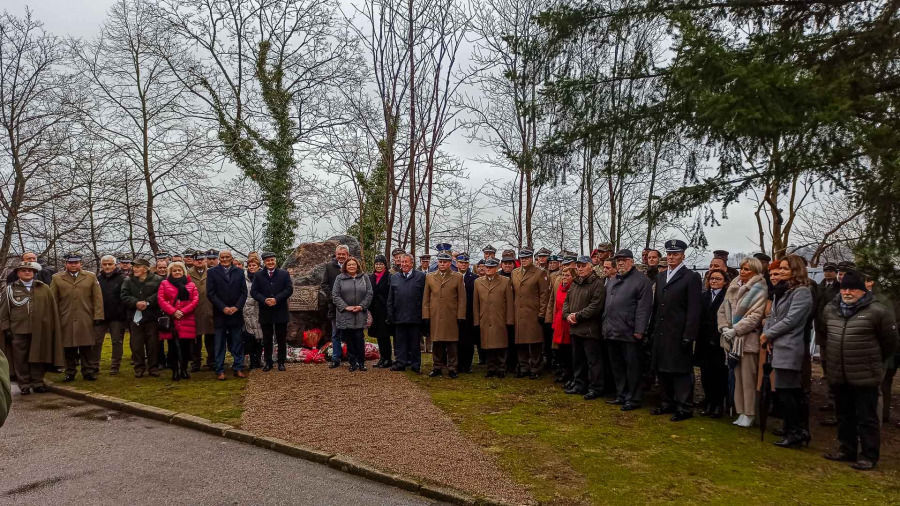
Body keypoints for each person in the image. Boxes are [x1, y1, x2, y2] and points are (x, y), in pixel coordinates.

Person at [820, 269, 898, 470]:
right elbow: (825, 333)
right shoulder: (831, 309)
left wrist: (874, 362)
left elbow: (889, 343)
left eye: (853, 289)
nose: (847, 292)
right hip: (839, 371)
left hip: (865, 373)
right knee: (844, 414)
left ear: (862, 290)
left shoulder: (878, 312)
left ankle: (868, 455)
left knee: (866, 417)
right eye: (845, 288)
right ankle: (847, 449)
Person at [762, 255, 814, 448]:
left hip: (791, 347)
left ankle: (796, 431)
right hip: (778, 345)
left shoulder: (802, 292)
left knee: (790, 391)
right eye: (780, 268)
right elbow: (773, 316)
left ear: (795, 270)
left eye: (785, 268)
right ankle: (792, 428)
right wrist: (768, 333)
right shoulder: (782, 291)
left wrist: (767, 335)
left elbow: (791, 320)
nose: (781, 271)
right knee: (785, 391)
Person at [649, 240, 702, 421]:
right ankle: (667, 403)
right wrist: (652, 330)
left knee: (680, 372)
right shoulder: (661, 277)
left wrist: (689, 334)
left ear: (682, 256)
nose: (671, 257)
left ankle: (684, 407)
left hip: (679, 332)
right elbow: (657, 307)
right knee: (663, 370)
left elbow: (694, 309)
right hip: (661, 332)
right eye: (669, 254)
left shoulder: (691, 277)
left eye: (675, 254)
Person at [718, 257, 768, 427]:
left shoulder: (759, 287)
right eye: (742, 268)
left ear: (755, 270)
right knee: (737, 378)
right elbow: (722, 309)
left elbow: (755, 316)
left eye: (747, 269)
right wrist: (724, 327)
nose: (743, 271)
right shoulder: (734, 284)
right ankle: (740, 411)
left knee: (748, 379)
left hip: (747, 339)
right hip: (732, 339)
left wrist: (736, 329)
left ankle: (750, 412)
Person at [0, 261, 63, 394]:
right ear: (18, 273)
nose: (27, 272)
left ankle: (38, 382)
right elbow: (4, 312)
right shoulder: (10, 289)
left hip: (39, 330)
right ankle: (24, 384)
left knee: (38, 357)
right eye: (23, 270)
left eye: (30, 270)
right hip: (18, 330)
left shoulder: (44, 288)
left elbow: (51, 310)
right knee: (20, 359)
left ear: (34, 273)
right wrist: (6, 328)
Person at [603, 249, 653, 411]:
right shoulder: (612, 280)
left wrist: (640, 330)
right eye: (618, 260)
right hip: (612, 330)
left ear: (632, 261)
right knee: (617, 366)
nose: (621, 263)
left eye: (624, 260)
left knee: (633, 367)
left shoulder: (641, 281)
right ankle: (621, 394)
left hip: (630, 332)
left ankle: (634, 397)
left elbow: (644, 308)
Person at [50, 252, 104, 382]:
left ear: (81, 263)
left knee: (87, 347)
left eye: (76, 262)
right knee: (68, 348)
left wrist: (98, 316)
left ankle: (88, 371)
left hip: (85, 317)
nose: (73, 265)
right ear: (66, 264)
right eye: (70, 263)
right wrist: (54, 318)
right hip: (65, 318)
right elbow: (53, 300)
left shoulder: (90, 277)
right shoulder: (57, 278)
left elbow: (97, 298)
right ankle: (70, 372)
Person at [563, 255, 607, 400]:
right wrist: (567, 315)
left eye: (583, 266)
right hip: (575, 328)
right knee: (578, 359)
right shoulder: (575, 283)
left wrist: (577, 316)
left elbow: (595, 306)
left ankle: (596, 388)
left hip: (589, 330)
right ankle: (579, 384)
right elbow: (567, 302)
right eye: (578, 266)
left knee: (593, 361)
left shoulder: (597, 284)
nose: (580, 268)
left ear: (590, 266)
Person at [423, 252, 466, 378]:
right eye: (440, 261)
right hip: (435, 315)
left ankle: (452, 368)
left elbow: (462, 299)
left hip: (451, 315)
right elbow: (426, 298)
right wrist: (426, 315)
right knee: (436, 343)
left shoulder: (457, 277)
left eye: (445, 262)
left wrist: (461, 316)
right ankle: (437, 366)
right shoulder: (430, 277)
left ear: (449, 263)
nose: (442, 264)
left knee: (451, 343)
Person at [207, 250, 247, 380]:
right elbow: (211, 293)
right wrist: (223, 307)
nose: (224, 259)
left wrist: (236, 307)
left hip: (236, 313)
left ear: (231, 258)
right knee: (219, 344)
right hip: (220, 313)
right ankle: (219, 370)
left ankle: (238, 367)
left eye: (227, 257)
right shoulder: (212, 272)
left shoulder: (240, 272)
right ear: (219, 258)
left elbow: (243, 292)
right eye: (222, 257)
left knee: (237, 342)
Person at [251, 252, 294, 372]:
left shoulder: (284, 274)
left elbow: (289, 289)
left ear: (276, 261)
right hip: (265, 311)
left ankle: (281, 362)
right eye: (268, 260)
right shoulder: (258, 275)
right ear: (264, 262)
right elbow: (254, 292)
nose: (270, 262)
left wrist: (277, 299)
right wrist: (264, 300)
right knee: (267, 338)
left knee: (281, 338)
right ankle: (268, 362)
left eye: (272, 260)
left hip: (280, 310)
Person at [510, 248, 550, 379]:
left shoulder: (539, 273)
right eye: (522, 258)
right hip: (519, 312)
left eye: (526, 258)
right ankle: (523, 367)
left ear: (531, 258)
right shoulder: (514, 273)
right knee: (520, 341)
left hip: (533, 312)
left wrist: (542, 313)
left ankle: (535, 368)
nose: (524, 260)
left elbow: (544, 294)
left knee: (534, 343)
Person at [157, 262, 200, 381]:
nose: (177, 272)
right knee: (173, 347)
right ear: (170, 272)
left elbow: (195, 300)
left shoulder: (191, 285)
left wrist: (183, 311)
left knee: (186, 347)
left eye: (179, 270)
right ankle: (175, 370)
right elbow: (161, 299)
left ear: (183, 272)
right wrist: (173, 311)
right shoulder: (164, 283)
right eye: (174, 270)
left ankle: (184, 369)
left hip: (187, 319)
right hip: (172, 320)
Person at [472, 258, 514, 378]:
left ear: (496, 268)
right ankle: (490, 368)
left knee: (501, 344)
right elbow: (476, 303)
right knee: (488, 345)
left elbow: (509, 302)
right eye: (487, 267)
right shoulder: (478, 282)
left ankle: (501, 368)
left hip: (499, 317)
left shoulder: (505, 281)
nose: (489, 269)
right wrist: (476, 320)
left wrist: (509, 319)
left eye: (491, 267)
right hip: (485, 318)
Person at [121, 258, 162, 378]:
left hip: (152, 316)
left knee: (153, 344)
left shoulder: (157, 279)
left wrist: (147, 302)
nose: (135, 269)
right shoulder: (128, 281)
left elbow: (160, 294)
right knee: (136, 344)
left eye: (138, 267)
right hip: (135, 317)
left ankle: (153, 367)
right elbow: (124, 295)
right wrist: (135, 303)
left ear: (145, 268)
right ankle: (139, 368)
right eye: (134, 267)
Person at [695, 270, 727, 418]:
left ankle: (718, 405)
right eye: (712, 278)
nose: (714, 281)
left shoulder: (726, 297)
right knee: (705, 374)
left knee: (718, 375)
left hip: (719, 341)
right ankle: (708, 402)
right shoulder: (703, 296)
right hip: (703, 340)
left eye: (718, 279)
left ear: (725, 281)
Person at [332, 256, 373, 372]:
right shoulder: (339, 278)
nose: (351, 266)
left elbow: (369, 293)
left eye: (353, 264)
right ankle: (352, 363)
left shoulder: (364, 277)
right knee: (349, 340)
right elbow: (335, 295)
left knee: (360, 338)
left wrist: (361, 306)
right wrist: (346, 307)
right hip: (346, 314)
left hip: (360, 313)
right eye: (349, 265)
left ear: (357, 266)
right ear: (345, 266)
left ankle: (361, 363)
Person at [387, 254, 426, 373]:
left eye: (406, 262)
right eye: (402, 262)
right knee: (400, 343)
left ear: (412, 263)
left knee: (415, 343)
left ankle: (415, 365)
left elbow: (425, 297)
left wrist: (424, 315)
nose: (404, 264)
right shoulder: (395, 277)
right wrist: (390, 314)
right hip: (399, 316)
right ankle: (400, 363)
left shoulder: (421, 277)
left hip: (415, 316)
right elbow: (390, 298)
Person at [96, 255, 127, 375]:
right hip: (101, 315)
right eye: (105, 264)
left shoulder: (122, 279)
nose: (107, 266)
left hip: (117, 316)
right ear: (101, 265)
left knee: (117, 341)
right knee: (96, 341)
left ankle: (115, 366)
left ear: (115, 265)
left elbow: (124, 297)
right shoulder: (98, 279)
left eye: (110, 264)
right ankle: (94, 365)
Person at [321, 245, 348, 366]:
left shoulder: (352, 265)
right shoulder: (329, 267)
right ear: (336, 254)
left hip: (350, 306)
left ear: (347, 254)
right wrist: (334, 298)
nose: (341, 256)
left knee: (350, 333)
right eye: (339, 254)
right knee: (335, 333)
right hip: (334, 306)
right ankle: (336, 358)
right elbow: (324, 284)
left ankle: (351, 356)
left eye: (344, 254)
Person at [547, 266, 575, 385]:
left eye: (567, 275)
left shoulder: (573, 288)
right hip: (559, 322)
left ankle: (571, 375)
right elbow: (555, 304)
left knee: (569, 351)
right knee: (560, 350)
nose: (564, 277)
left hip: (569, 323)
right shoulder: (560, 288)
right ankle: (564, 372)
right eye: (563, 275)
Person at [189, 252, 215, 372]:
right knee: (195, 340)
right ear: (193, 261)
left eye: (201, 259)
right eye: (197, 260)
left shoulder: (212, 273)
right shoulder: (188, 274)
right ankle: (196, 362)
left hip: (210, 308)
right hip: (194, 311)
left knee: (211, 338)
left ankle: (211, 361)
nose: (199, 262)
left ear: (205, 260)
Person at [456, 254, 480, 373]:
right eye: (461, 262)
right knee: (457, 341)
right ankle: (457, 364)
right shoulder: (453, 276)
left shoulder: (475, 278)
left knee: (468, 341)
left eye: (465, 263)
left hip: (469, 313)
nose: (463, 265)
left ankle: (467, 365)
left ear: (468, 264)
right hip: (455, 314)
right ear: (457, 263)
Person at [370, 255, 393, 368]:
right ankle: (382, 358)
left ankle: (388, 358)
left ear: (385, 265)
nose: (378, 266)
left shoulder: (389, 276)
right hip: (375, 310)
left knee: (385, 335)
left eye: (381, 264)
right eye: (377, 264)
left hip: (385, 309)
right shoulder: (371, 277)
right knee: (379, 335)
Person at [243, 257, 263, 370]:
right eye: (250, 265)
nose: (251, 267)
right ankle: (252, 360)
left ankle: (259, 359)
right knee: (250, 336)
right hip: (247, 310)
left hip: (260, 309)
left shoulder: (262, 277)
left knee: (260, 336)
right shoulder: (243, 278)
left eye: (254, 265)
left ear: (258, 266)